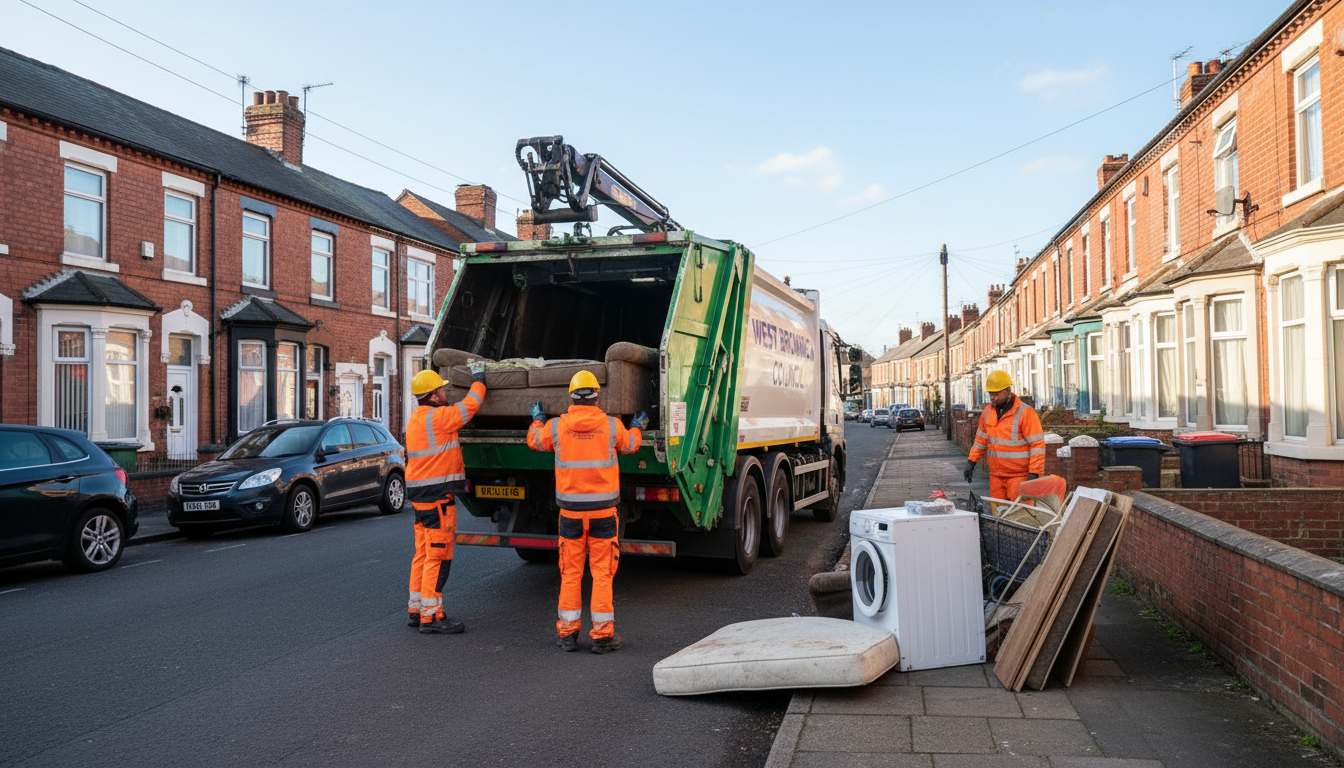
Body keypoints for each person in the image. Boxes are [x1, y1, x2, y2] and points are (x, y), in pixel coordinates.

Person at [526, 370, 646, 654]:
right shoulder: (611, 425)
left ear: (572, 396)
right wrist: (638, 425)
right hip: (604, 514)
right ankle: (603, 637)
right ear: (596, 396)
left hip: (570, 516)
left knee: (570, 575)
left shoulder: (556, 427)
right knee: (602, 575)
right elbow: (632, 445)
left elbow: (533, 441)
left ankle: (568, 635)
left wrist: (537, 420)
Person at [405, 363, 486, 634]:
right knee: (438, 557)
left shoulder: (416, 419)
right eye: (440, 389)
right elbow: (470, 406)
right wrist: (479, 380)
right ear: (432, 395)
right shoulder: (438, 418)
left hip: (420, 498)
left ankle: (416, 609)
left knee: (423, 553)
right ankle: (432, 616)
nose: (444, 392)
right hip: (437, 497)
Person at [964, 370, 1045, 503]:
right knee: (999, 517)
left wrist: (1034, 472)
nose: (993, 398)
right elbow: (980, 442)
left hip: (1019, 477)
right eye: (991, 394)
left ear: (1008, 391)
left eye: (996, 394)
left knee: (1020, 516)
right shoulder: (987, 412)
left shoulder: (1025, 413)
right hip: (996, 476)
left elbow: (1037, 445)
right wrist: (971, 463)